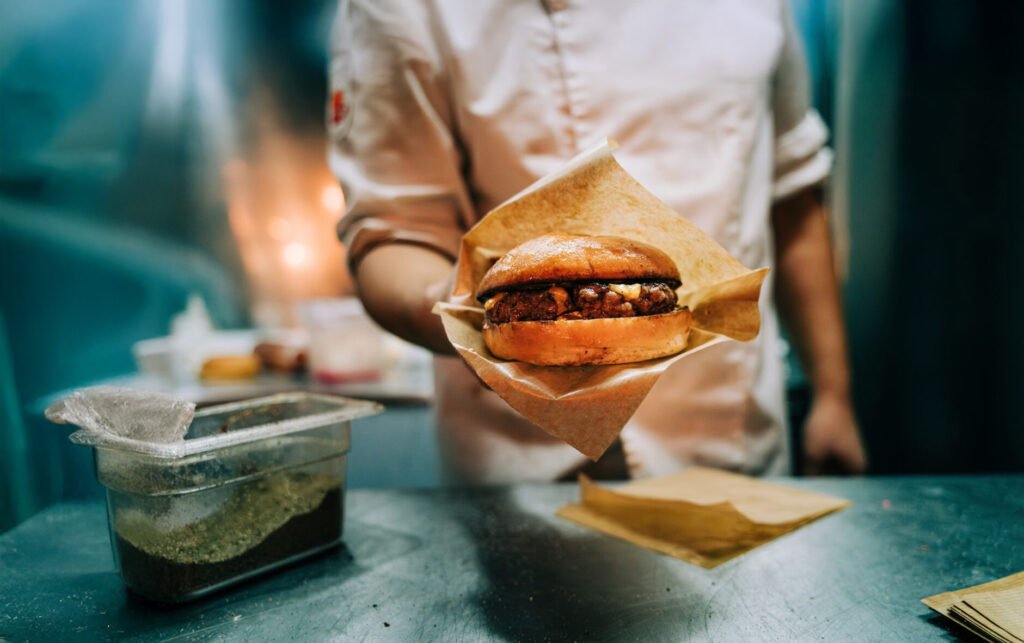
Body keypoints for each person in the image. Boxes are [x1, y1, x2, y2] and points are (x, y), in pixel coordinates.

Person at [328, 0, 867, 482]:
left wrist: (834, 395)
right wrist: (460, 319)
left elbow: (793, 194)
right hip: (527, 462)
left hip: (735, 435)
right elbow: (392, 230)